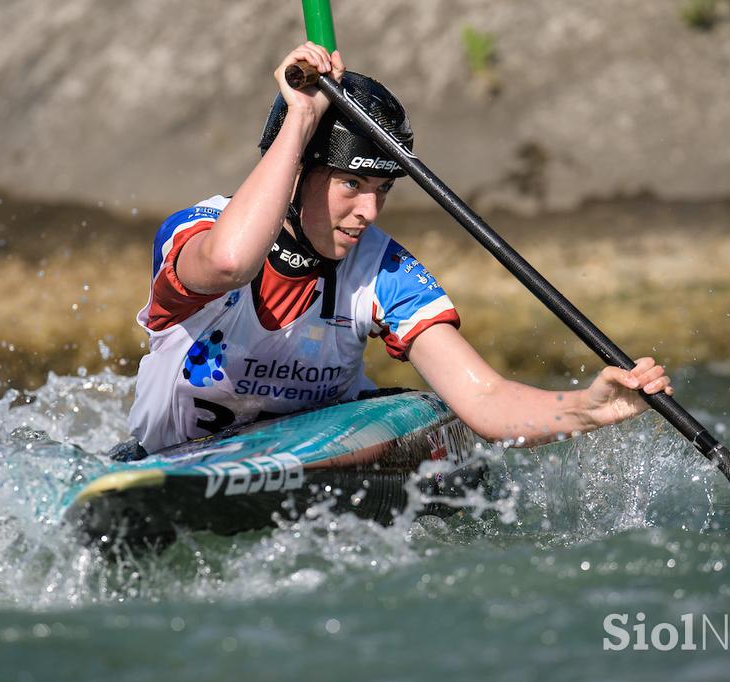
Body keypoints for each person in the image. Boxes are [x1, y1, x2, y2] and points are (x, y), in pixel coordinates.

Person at [123, 42, 672, 458]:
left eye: (383, 189)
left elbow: (483, 401)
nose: (370, 211)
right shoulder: (200, 230)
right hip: (164, 463)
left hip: (313, 463)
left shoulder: (381, 268)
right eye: (351, 185)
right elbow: (228, 263)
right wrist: (302, 117)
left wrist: (588, 408)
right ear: (294, 173)